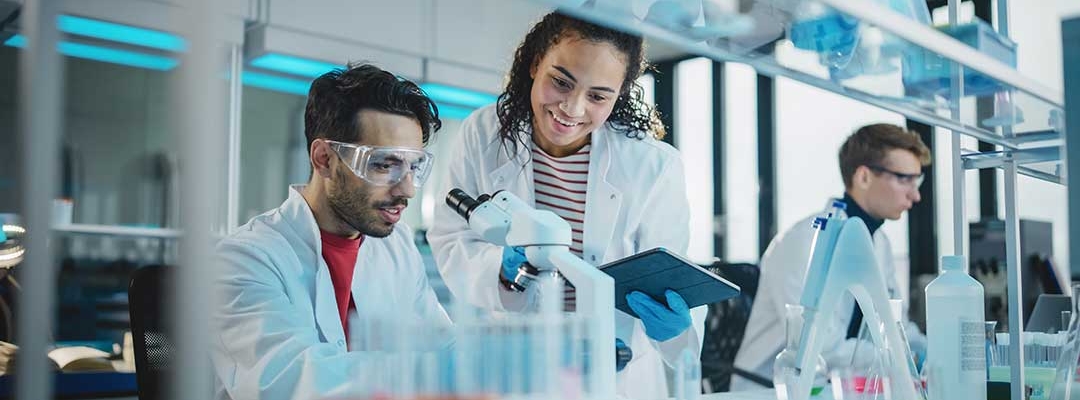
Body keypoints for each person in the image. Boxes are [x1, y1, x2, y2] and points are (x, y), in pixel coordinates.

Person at [426, 12, 706, 399]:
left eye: (597, 96)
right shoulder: (483, 133)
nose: (572, 109)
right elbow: (451, 237)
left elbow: (670, 272)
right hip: (515, 367)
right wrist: (503, 272)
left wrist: (677, 326)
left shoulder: (654, 165)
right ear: (534, 62)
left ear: (620, 94)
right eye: (561, 82)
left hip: (618, 377)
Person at [211, 63, 449, 400]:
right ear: (324, 159)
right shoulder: (245, 259)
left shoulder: (398, 247)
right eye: (384, 164)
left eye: (414, 166)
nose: (408, 189)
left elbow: (443, 346)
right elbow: (292, 381)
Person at [731, 123, 931, 390]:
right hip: (771, 390)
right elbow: (822, 348)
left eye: (917, 181)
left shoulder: (878, 243)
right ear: (863, 177)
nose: (915, 195)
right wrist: (902, 358)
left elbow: (897, 328)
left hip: (841, 387)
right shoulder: (806, 240)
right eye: (904, 179)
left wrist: (932, 354)